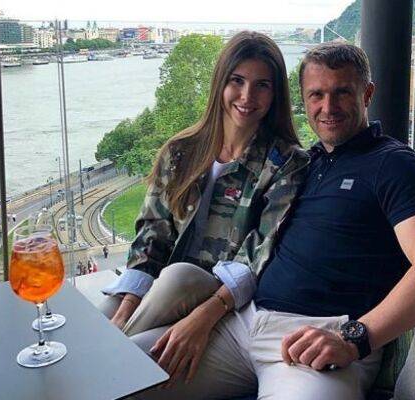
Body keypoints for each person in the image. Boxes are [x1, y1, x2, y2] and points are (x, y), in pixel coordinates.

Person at [131, 42, 415, 400]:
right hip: (244, 324)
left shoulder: (394, 165)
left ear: (367, 94)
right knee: (119, 375)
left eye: (342, 92)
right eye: (316, 95)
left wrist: (355, 338)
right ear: (304, 100)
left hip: (320, 338)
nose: (328, 107)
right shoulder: (302, 165)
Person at [98, 31, 309, 366]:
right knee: (105, 313)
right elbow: (153, 233)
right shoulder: (180, 151)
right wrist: (126, 308)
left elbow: (259, 252)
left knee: (178, 277)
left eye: (262, 85)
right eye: (237, 81)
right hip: (163, 286)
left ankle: (104, 365)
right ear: (220, 83)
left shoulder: (285, 163)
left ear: (275, 94)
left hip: (220, 292)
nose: (247, 96)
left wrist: (205, 315)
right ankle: (105, 359)